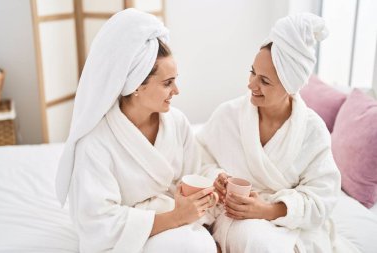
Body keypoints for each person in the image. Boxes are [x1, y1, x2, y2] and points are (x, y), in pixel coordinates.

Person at [55, 9, 217, 253]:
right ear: (136, 85)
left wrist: (212, 185)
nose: (177, 91)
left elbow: (194, 174)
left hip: (176, 221)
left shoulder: (177, 122)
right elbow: (99, 223)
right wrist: (175, 217)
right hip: (132, 237)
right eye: (167, 83)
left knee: (202, 243)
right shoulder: (96, 142)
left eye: (175, 79)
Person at [197, 13, 341, 253]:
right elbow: (198, 157)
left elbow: (321, 198)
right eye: (252, 72)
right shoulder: (229, 114)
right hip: (233, 214)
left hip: (287, 223)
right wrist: (217, 177)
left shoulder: (312, 130)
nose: (251, 84)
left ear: (290, 85)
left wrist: (267, 209)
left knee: (262, 241)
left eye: (264, 80)